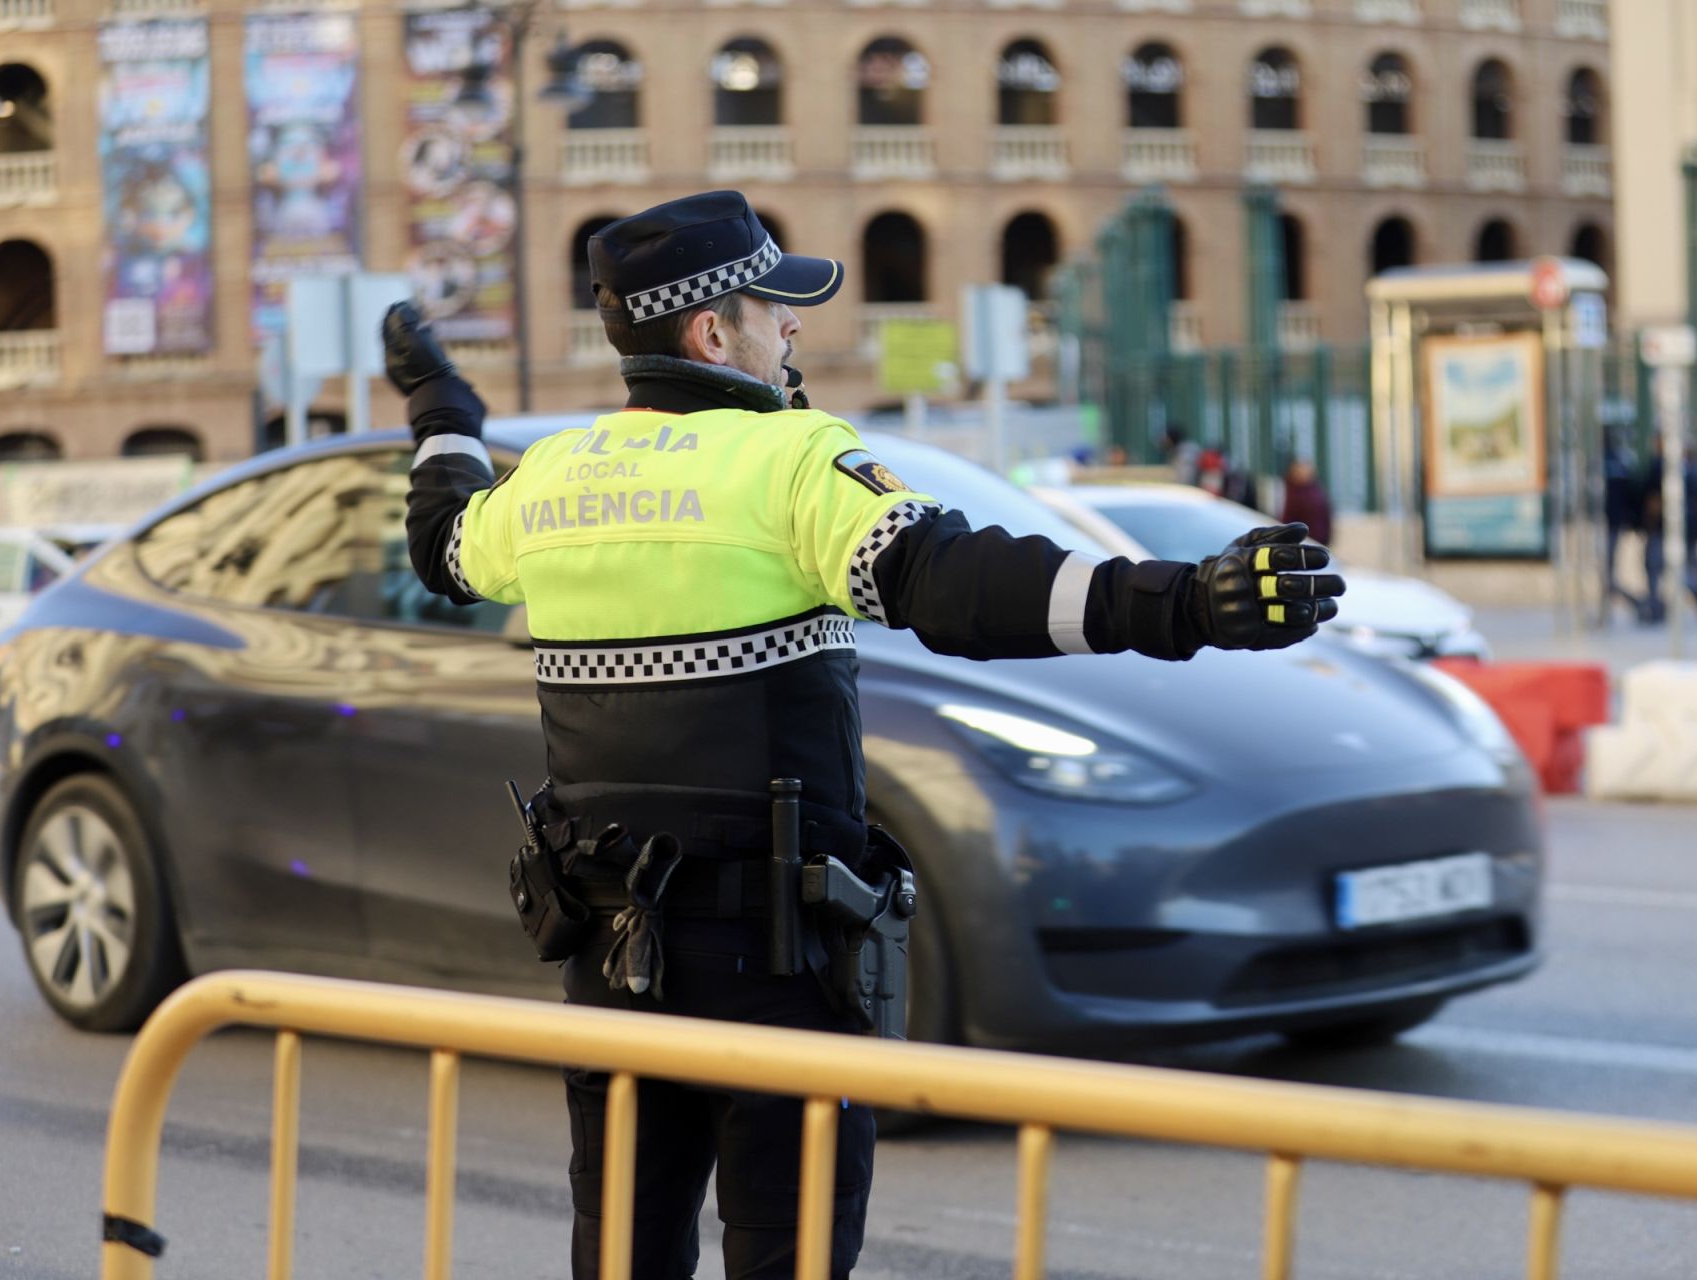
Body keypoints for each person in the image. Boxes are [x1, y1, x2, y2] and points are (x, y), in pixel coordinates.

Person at [386, 190, 1346, 1280]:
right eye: (771, 305)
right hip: (780, 973)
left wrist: (439, 404)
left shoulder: (553, 476)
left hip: (612, 966)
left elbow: (440, 543)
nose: (791, 326)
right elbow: (952, 581)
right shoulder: (788, 461)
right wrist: (1184, 601)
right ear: (711, 332)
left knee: (622, 1257)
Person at [1640, 437, 1697, 624]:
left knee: (1666, 568)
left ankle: (1658, 606)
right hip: (1684, 530)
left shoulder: (1671, 469)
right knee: (1686, 567)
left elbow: (1655, 501)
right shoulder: (1691, 471)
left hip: (1670, 530)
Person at [1600, 430, 1644, 623]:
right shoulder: (1620, 462)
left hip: (1608, 524)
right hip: (1612, 523)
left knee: (1607, 574)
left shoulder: (1604, 463)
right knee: (1606, 573)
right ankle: (1610, 610)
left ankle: (1635, 603)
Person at [1279, 457, 1333, 546]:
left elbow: (1326, 516)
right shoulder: (1290, 492)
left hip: (1318, 541)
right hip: (1298, 542)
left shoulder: (1317, 490)